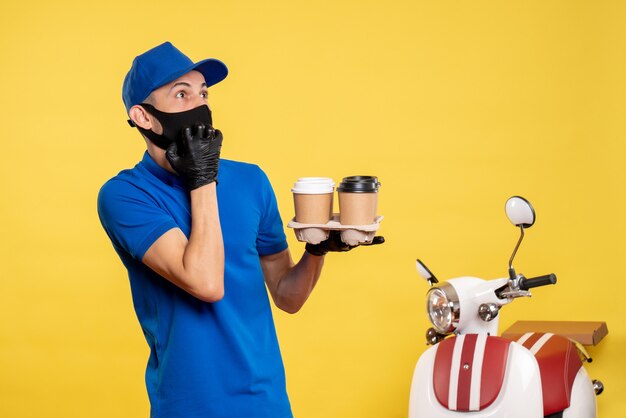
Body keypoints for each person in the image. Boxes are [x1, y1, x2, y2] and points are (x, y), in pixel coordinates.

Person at [97, 41, 383, 418]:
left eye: (203, 93)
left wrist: (317, 250)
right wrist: (203, 179)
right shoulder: (125, 195)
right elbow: (206, 283)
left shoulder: (250, 180)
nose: (199, 106)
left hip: (265, 402)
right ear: (143, 116)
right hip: (188, 405)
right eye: (180, 94)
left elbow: (287, 296)